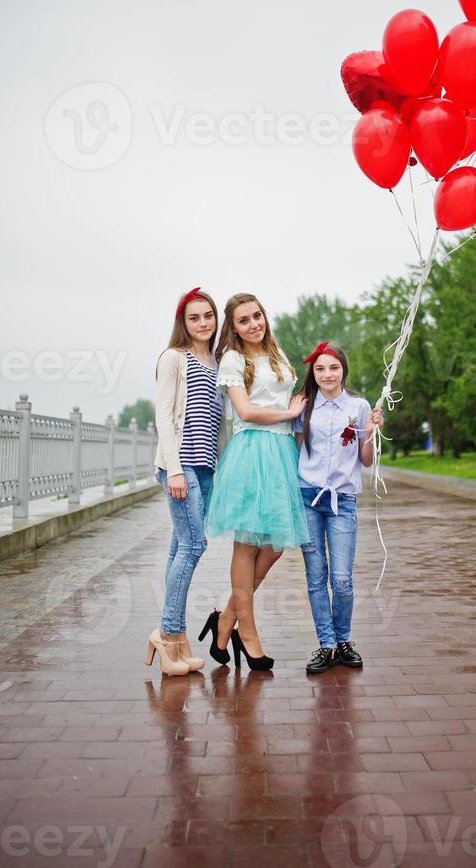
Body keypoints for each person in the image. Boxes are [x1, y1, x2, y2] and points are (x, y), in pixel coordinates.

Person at [200, 293, 309, 670]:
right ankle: (248, 634)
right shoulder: (233, 359)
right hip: (251, 452)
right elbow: (244, 410)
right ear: (234, 327)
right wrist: (287, 411)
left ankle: (226, 619)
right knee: (246, 544)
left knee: (275, 545)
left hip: (281, 453)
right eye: (244, 320)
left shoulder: (278, 356)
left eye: (257, 316)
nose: (253, 324)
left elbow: (294, 407)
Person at [145, 287, 223, 677]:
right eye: (194, 317)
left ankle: (175, 644)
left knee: (179, 547)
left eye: (208, 315)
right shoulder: (174, 358)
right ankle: (168, 633)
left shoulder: (217, 361)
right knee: (194, 544)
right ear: (183, 322)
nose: (203, 323)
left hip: (205, 467)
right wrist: (173, 469)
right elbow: (164, 415)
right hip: (180, 466)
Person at [293, 341, 383, 674]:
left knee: (342, 579)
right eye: (320, 368)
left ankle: (344, 640)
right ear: (312, 373)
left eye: (333, 367)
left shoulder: (359, 407)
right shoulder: (302, 406)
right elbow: (290, 444)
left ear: (343, 369)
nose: (327, 374)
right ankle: (327, 645)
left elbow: (367, 461)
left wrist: (370, 434)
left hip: (342, 501)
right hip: (307, 499)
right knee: (317, 577)